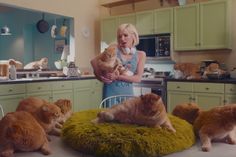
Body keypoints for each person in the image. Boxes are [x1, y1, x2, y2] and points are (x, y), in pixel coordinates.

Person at [91, 23, 146, 100]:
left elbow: (138, 78)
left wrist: (117, 77)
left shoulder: (141, 55)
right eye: (119, 36)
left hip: (128, 95)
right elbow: (93, 62)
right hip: (110, 94)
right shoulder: (113, 49)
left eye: (125, 35)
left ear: (133, 36)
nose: (122, 39)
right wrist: (101, 77)